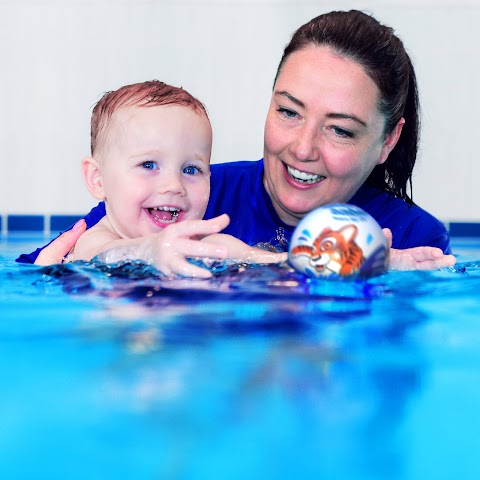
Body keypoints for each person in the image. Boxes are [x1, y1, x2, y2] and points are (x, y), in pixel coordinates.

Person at [18, 10, 456, 272]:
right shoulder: (182, 202)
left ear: (387, 141)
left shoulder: (414, 239)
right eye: (288, 111)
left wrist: (387, 265)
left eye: (339, 129)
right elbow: (41, 274)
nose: (303, 149)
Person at [29, 80, 286, 278]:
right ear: (98, 180)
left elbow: (222, 247)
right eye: (148, 165)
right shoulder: (94, 240)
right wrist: (148, 249)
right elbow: (107, 255)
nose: (174, 186)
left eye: (191, 169)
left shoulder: (191, 242)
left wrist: (274, 261)